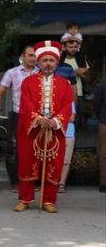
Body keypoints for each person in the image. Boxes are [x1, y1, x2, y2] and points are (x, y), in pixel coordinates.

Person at [14, 41, 73, 213]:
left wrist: (56, 121)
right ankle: (24, 198)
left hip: (55, 129)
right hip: (32, 130)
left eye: (51, 60)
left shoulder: (65, 84)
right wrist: (37, 118)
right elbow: (25, 104)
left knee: (53, 164)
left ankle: (49, 200)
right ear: (39, 62)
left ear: (56, 63)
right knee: (27, 162)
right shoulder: (28, 82)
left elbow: (67, 106)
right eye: (45, 60)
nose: (48, 63)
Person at [0, 46, 38, 191]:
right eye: (30, 55)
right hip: (17, 114)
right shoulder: (12, 72)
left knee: (34, 148)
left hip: (37, 116)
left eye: (35, 56)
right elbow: (0, 92)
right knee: (13, 148)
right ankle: (15, 182)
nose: (33, 58)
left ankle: (32, 181)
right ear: (23, 56)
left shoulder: (40, 73)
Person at [93, 76, 106, 193]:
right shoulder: (101, 84)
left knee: (104, 153)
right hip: (104, 120)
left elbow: (96, 104)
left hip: (104, 120)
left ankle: (104, 184)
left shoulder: (101, 84)